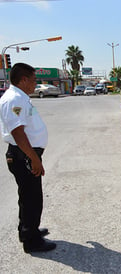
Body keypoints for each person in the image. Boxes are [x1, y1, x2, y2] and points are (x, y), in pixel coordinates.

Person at [0, 63, 56, 253]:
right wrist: (34, 159)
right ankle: (31, 241)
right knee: (31, 198)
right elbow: (18, 133)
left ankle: (29, 230)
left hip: (26, 154)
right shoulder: (14, 99)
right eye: (33, 80)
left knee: (30, 196)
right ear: (23, 80)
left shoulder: (20, 97)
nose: (35, 84)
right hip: (23, 154)